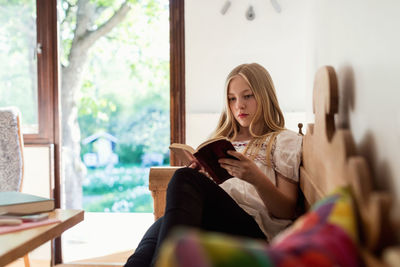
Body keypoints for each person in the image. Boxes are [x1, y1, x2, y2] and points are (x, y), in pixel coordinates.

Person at [124, 63, 303, 267]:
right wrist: (203, 176)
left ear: (264, 95)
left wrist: (255, 177)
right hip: (216, 220)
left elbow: (286, 211)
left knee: (183, 179)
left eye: (248, 96)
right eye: (232, 99)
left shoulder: (283, 141)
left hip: (255, 231)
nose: (239, 106)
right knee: (157, 231)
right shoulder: (220, 139)